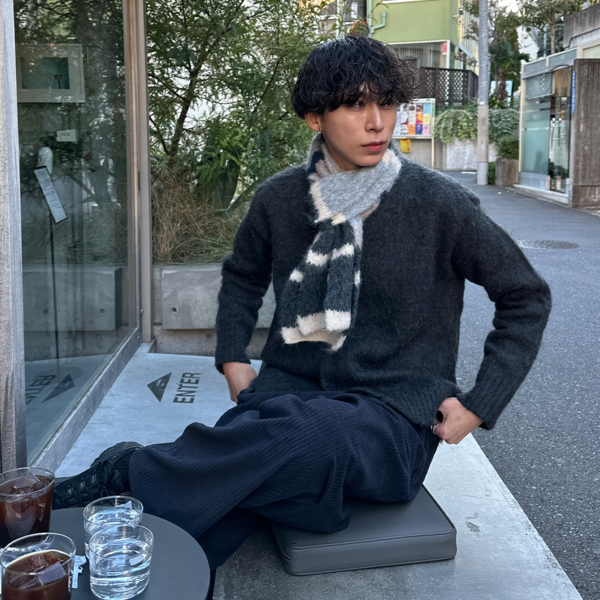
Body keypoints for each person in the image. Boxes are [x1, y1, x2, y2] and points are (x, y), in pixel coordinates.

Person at [53, 34, 552, 596]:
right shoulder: (279, 198)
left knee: (296, 443)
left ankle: (124, 471)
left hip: (392, 417)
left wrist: (480, 404)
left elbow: (525, 295)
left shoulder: (439, 203)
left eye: (387, 103)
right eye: (355, 104)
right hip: (284, 395)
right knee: (215, 508)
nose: (377, 122)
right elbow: (242, 275)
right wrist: (233, 359)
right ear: (315, 116)